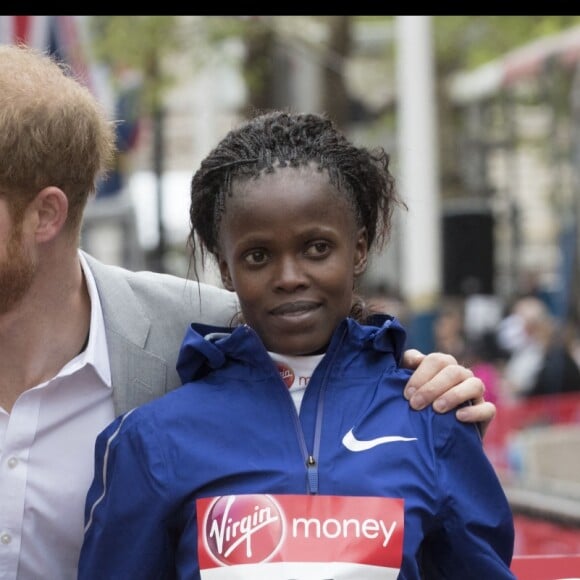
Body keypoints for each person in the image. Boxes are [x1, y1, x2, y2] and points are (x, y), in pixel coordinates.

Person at [0, 44, 494, 580]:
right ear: (228, 270)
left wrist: (439, 397)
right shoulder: (152, 438)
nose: (289, 277)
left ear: (360, 248)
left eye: (316, 248)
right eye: (258, 256)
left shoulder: (430, 417)